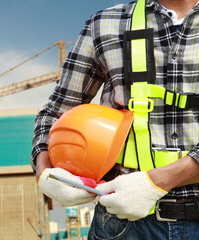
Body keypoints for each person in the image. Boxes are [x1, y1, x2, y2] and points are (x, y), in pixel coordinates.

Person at [32, 0, 199, 239]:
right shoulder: (105, 24)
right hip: (122, 226)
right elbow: (55, 113)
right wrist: (45, 171)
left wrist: (158, 181)